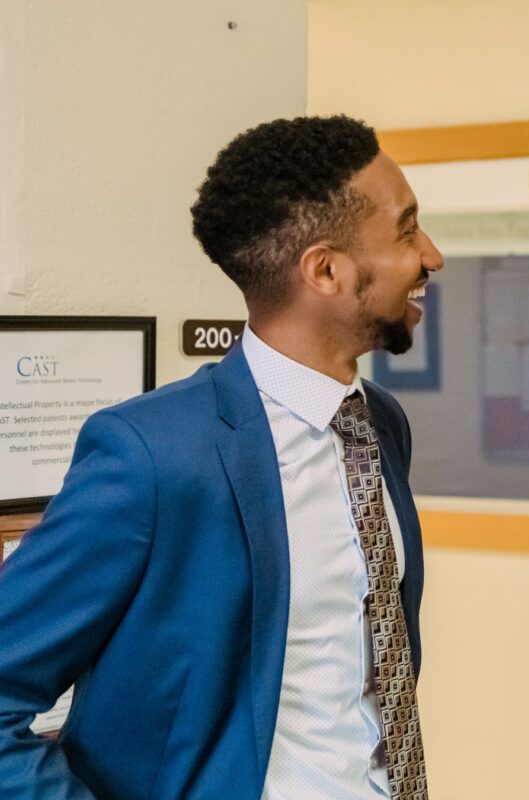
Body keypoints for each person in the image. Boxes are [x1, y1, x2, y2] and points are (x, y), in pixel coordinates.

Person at [0, 115, 443, 799]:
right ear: (325, 270)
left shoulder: (382, 424)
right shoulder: (152, 456)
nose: (432, 256)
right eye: (408, 230)